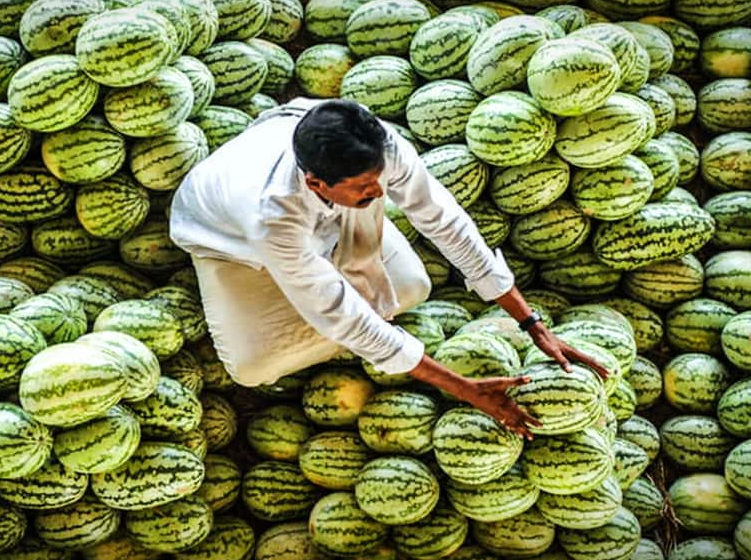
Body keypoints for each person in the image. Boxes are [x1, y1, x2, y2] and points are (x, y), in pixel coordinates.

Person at [168, 97, 609, 437]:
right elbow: (341, 315)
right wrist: (462, 387)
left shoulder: (373, 147)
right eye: (365, 187)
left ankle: (335, 273)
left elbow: (443, 219)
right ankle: (288, 292)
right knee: (252, 369)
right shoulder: (273, 218)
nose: (380, 191)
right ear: (317, 184)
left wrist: (531, 321)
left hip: (326, 209)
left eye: (379, 178)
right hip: (227, 240)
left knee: (412, 288)